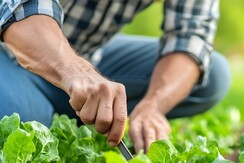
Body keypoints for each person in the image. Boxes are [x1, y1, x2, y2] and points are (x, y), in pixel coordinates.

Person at [0, 0, 231, 153]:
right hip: (11, 50)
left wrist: (153, 105)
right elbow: (20, 9)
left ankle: (73, 107)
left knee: (213, 74)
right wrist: (76, 73)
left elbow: (190, 35)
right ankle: (45, 110)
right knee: (22, 123)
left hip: (86, 53)